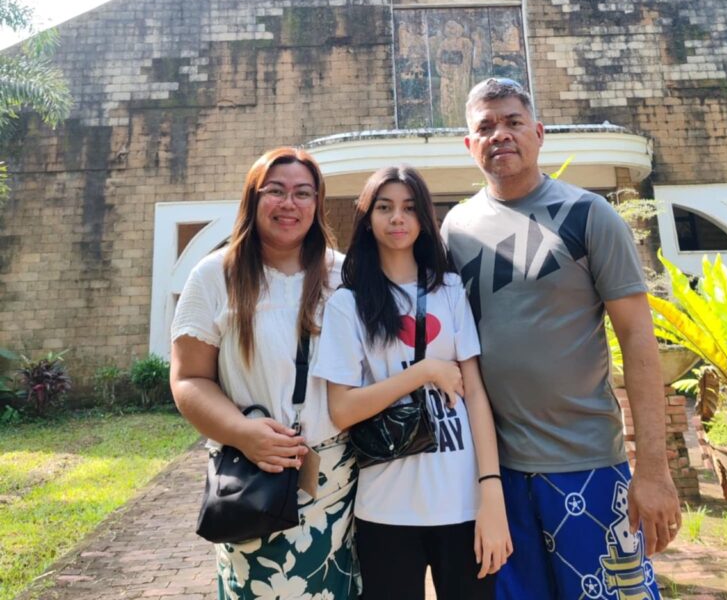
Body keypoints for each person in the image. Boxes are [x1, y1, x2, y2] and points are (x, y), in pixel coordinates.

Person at [440, 78, 681, 600]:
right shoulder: (455, 228)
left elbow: (639, 341)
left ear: (539, 133)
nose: (499, 134)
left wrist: (655, 471)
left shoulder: (588, 215)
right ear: (469, 144)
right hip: (493, 475)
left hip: (588, 465)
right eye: (485, 126)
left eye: (512, 122)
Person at [314, 165, 512, 600]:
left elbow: (475, 395)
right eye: (384, 208)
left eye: (408, 208)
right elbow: (342, 409)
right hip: (385, 506)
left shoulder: (449, 290)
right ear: (367, 219)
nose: (397, 218)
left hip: (461, 501)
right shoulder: (349, 304)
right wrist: (422, 372)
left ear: (424, 219)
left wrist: (490, 493)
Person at [170, 147, 359, 600]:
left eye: (303, 193)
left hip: (338, 480)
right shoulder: (215, 275)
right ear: (253, 200)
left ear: (318, 203)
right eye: (275, 191)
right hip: (256, 475)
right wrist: (243, 433)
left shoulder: (344, 273)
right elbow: (189, 379)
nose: (289, 204)